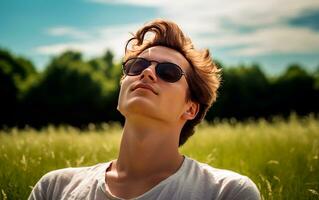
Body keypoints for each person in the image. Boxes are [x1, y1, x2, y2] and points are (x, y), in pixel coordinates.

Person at [29, 19, 260, 200]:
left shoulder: (226, 193)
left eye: (168, 72)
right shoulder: (54, 188)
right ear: (121, 90)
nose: (147, 72)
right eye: (137, 65)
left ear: (190, 109)